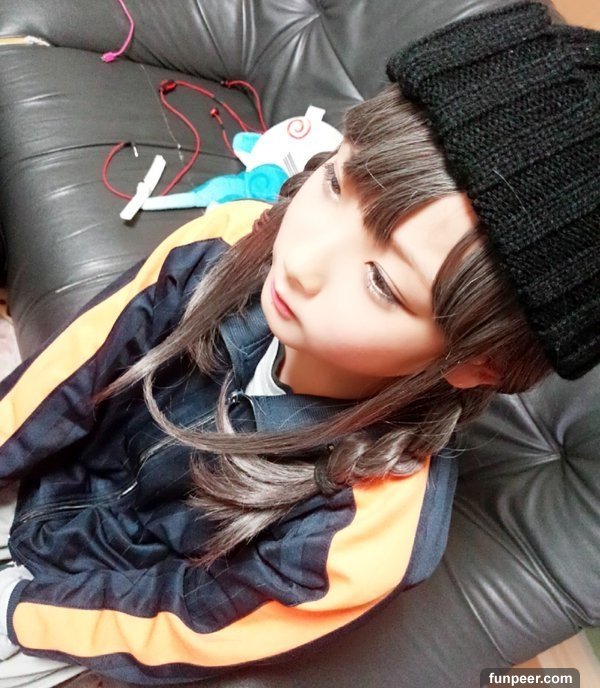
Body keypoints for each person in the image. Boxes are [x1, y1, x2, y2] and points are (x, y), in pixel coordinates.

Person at [0, 1, 597, 685]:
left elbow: (192, 625)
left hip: (83, 605)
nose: (302, 258)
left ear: (478, 362)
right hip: (41, 483)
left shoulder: (360, 535)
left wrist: (22, 614)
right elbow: (73, 369)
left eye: (382, 283)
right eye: (336, 183)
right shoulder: (229, 240)